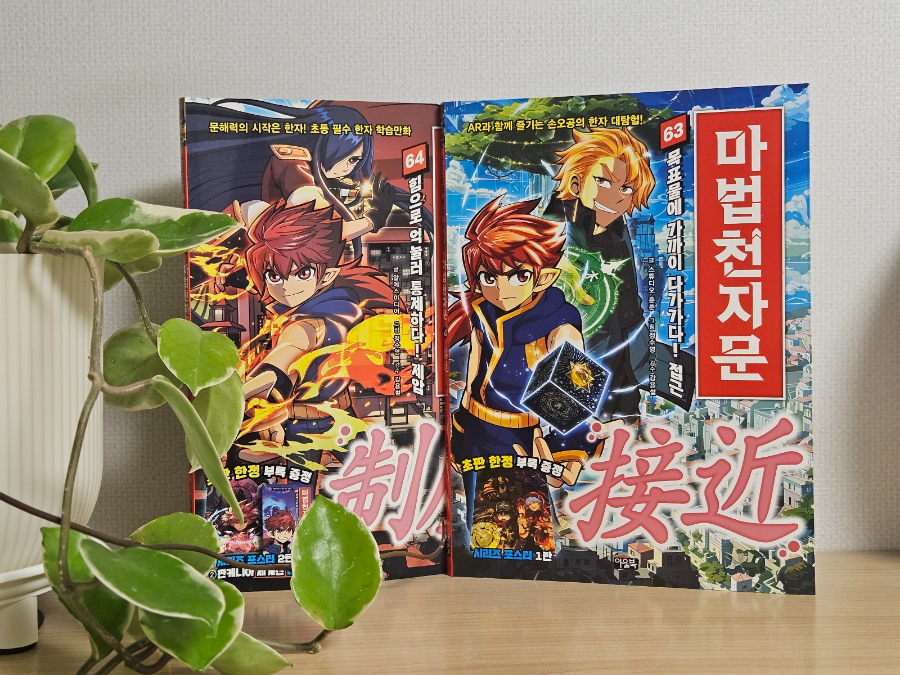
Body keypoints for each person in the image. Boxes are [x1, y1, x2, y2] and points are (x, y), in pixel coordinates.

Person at [446, 197, 586, 542]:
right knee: (479, 529)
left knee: (514, 532)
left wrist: (566, 453)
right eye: (488, 277)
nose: (501, 288)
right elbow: (475, 366)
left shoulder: (559, 326)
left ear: (544, 277)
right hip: (473, 427)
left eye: (519, 275)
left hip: (519, 439)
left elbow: (576, 399)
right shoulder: (482, 310)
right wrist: (460, 423)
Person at [239, 200, 397, 486]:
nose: (286, 286)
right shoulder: (325, 308)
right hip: (308, 422)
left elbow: (288, 351)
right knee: (303, 496)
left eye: (302, 273)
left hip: (333, 418)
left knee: (378, 486)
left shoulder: (311, 322)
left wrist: (242, 394)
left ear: (328, 275)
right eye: (274, 276)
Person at [553, 127, 695, 422]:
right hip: (585, 356)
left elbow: (629, 293)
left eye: (626, 189)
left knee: (627, 422)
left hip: (627, 351)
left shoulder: (617, 227)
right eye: (602, 181)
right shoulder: (558, 230)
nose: (614, 197)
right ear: (577, 184)